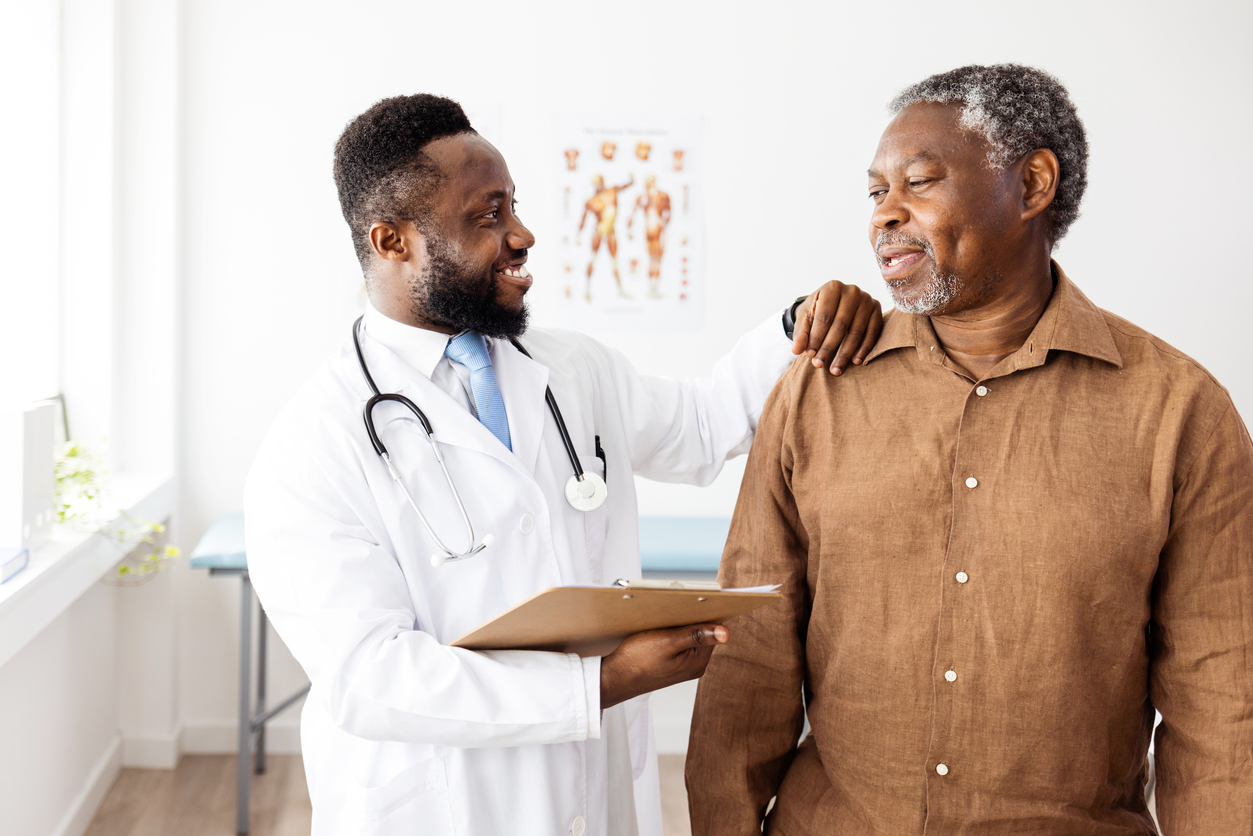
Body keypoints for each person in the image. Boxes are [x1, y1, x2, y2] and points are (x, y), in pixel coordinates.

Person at [243, 93, 883, 836]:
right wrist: (602, 685)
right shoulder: (314, 442)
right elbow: (369, 677)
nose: (521, 235)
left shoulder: (570, 370)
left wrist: (798, 323)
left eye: (512, 206)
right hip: (439, 808)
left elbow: (703, 428)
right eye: (486, 216)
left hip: (592, 794)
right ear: (392, 242)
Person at [686, 64, 1253, 835]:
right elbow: (748, 662)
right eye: (875, 193)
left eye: (917, 182)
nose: (885, 216)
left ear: (1031, 185)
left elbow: (1220, 705)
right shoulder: (815, 392)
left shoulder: (1179, 412)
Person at [579, 172, 634, 300]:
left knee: (614, 261)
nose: (597, 185)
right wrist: (579, 235)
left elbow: (625, 186)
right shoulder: (591, 201)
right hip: (599, 230)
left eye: (599, 182)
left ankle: (621, 290)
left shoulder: (612, 191)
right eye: (595, 183)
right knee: (593, 258)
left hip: (610, 231)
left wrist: (632, 180)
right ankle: (587, 291)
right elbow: (583, 218)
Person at [628, 174, 672, 299]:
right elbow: (633, 213)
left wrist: (630, 228)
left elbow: (668, 213)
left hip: (653, 226)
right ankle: (652, 290)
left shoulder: (660, 196)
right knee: (655, 260)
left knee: (654, 260)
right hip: (654, 228)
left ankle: (653, 289)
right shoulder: (645, 197)